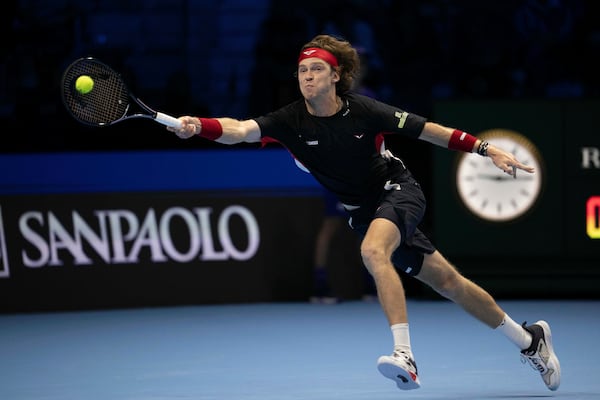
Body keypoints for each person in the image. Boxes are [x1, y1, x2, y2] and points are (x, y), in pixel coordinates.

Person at [167, 34, 560, 391]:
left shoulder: (365, 111)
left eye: (316, 69)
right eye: (302, 70)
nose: (307, 76)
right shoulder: (288, 121)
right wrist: (196, 125)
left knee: (373, 252)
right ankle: (529, 340)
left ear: (335, 76)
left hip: (398, 189)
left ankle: (405, 355)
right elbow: (237, 129)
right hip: (363, 210)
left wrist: (485, 149)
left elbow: (429, 130)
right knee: (449, 283)